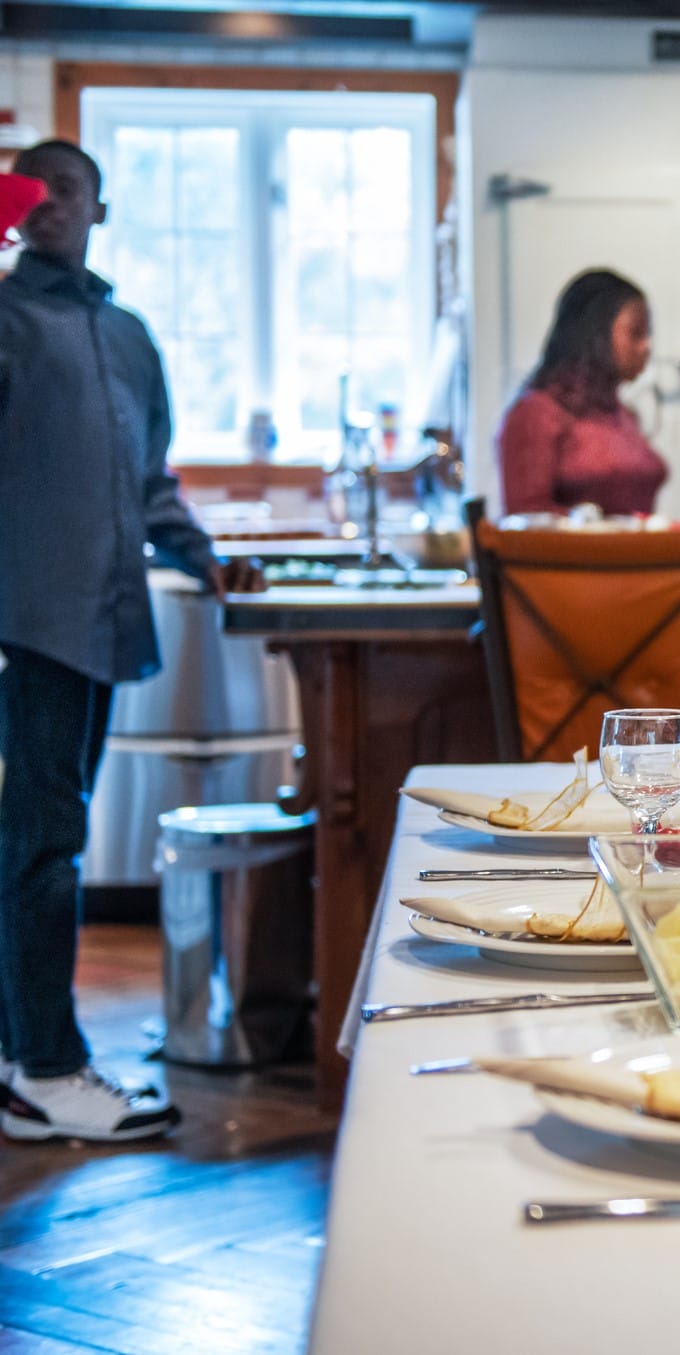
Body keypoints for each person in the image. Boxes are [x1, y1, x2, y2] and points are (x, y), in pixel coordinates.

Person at [0, 141, 266, 1142]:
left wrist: (205, 559)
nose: (50, 198)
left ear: (99, 210)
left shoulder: (130, 335)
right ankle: (50, 1069)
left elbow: (152, 482)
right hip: (27, 619)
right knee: (42, 846)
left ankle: (16, 1055)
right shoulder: (3, 321)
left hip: (105, 619)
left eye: (68, 184)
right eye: (31, 183)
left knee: (41, 838)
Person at [497, 269, 668, 517]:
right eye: (636, 333)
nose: (646, 347)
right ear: (595, 332)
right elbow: (527, 520)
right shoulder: (536, 413)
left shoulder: (625, 416)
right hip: (568, 556)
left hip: (636, 555)